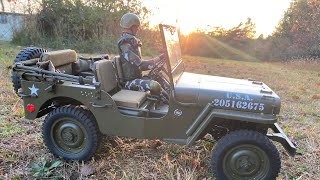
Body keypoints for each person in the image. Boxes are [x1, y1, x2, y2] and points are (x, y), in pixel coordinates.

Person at [117, 13, 169, 103]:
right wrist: (158, 59)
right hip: (129, 82)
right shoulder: (125, 43)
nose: (137, 29)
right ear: (130, 26)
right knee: (154, 86)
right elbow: (141, 65)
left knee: (158, 76)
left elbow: (139, 62)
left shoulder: (131, 40)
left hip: (137, 78)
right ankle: (169, 106)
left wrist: (160, 57)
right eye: (136, 27)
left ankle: (172, 98)